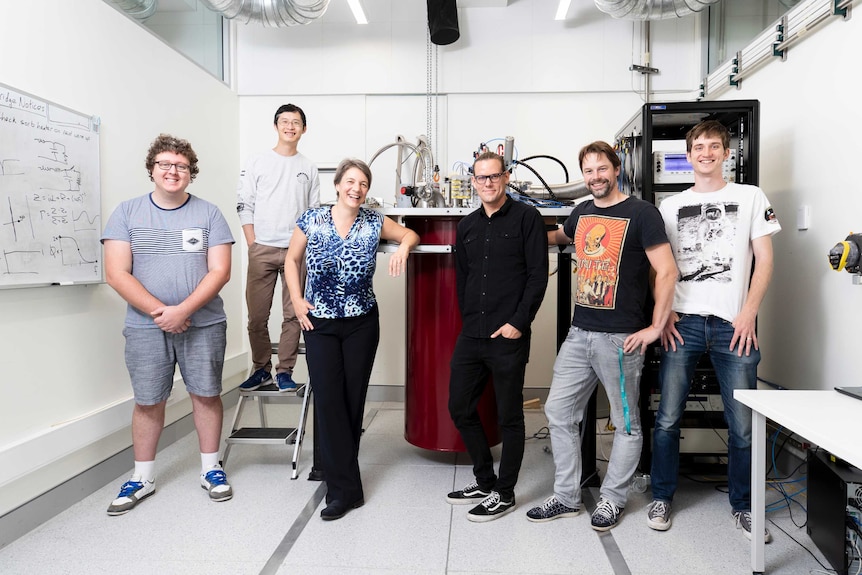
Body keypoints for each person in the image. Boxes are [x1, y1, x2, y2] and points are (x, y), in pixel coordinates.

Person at [527, 141, 677, 531]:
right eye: (589, 171)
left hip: (621, 339)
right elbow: (560, 236)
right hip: (580, 334)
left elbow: (667, 271)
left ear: (616, 169)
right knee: (558, 412)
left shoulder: (643, 214)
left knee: (626, 425)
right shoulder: (583, 212)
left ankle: (612, 500)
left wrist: (655, 327)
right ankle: (566, 496)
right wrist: (519, 228)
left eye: (601, 169)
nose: (595, 177)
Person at [648, 120, 781, 541]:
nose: (705, 152)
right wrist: (663, 313)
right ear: (687, 156)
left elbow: (765, 260)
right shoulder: (669, 207)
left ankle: (742, 506)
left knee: (742, 424)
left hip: (733, 326)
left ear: (727, 153)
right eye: (698, 147)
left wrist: (749, 313)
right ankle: (662, 496)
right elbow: (660, 267)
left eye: (713, 146)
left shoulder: (750, 197)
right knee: (667, 418)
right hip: (682, 324)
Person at [101, 134, 235, 515]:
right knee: (147, 400)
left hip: (204, 323)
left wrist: (184, 311)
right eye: (165, 164)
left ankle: (211, 469)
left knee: (206, 395)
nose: (172, 171)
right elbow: (116, 273)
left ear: (191, 172)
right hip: (146, 327)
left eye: (180, 165)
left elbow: (220, 271)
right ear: (152, 170)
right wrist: (164, 312)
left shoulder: (209, 214)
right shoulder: (126, 213)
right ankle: (142, 477)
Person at [285, 158, 419, 521]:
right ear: (338, 185)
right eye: (350, 181)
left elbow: (410, 234)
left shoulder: (374, 222)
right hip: (319, 323)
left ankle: (341, 485)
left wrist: (404, 248)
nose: (356, 188)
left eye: (363, 183)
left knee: (351, 401)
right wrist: (297, 301)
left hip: (362, 322)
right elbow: (291, 260)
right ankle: (346, 490)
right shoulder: (312, 218)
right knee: (329, 401)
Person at [446, 151, 549, 523]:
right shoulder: (467, 226)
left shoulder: (527, 219)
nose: (487, 183)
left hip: (509, 334)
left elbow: (538, 275)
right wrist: (469, 320)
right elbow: (463, 278)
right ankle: (485, 480)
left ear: (505, 178)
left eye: (493, 176)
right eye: (481, 178)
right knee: (459, 406)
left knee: (509, 417)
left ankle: (504, 494)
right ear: (473, 182)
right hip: (473, 334)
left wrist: (518, 323)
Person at [237, 103, 320, 392]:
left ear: (303, 128)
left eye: (296, 122)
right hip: (262, 248)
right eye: (284, 121)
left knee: (295, 313)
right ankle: (261, 369)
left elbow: (313, 212)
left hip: (297, 252)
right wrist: (252, 244)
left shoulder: (308, 167)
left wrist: (305, 247)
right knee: (257, 316)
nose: (290, 126)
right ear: (276, 126)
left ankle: (284, 370)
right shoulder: (257, 161)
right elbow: (244, 205)